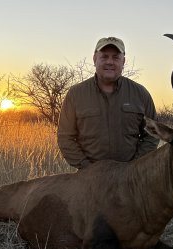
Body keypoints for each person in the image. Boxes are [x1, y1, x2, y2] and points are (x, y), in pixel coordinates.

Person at [57, 36, 159, 169]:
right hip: (89, 179)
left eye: (116, 57)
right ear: (94, 59)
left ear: (123, 61)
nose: (110, 62)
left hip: (131, 180)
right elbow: (65, 138)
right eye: (104, 56)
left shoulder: (140, 93)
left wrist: (134, 167)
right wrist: (87, 167)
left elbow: (152, 135)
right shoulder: (75, 94)